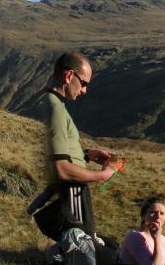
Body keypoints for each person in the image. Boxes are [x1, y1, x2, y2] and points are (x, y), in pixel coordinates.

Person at [28, 51, 121, 265]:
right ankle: (59, 256)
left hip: (73, 199)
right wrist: (104, 175)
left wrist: (87, 155)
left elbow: (59, 151)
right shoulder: (56, 109)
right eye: (84, 83)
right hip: (71, 199)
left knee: (110, 247)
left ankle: (61, 254)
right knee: (103, 256)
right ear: (69, 76)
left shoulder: (57, 105)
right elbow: (61, 168)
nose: (85, 90)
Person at [119, 196, 165, 265]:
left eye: (162, 213)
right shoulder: (134, 236)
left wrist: (158, 238)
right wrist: (157, 238)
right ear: (144, 215)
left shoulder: (163, 239)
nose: (158, 216)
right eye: (153, 212)